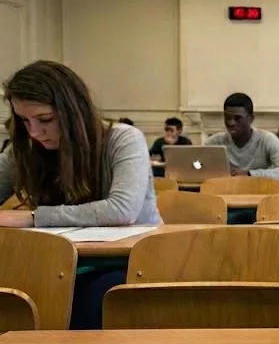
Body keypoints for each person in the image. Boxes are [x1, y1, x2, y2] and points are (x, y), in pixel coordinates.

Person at [0, 60, 161, 328]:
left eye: (45, 120)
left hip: (132, 262)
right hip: (56, 263)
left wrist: (32, 217)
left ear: (73, 111)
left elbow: (121, 210)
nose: (34, 132)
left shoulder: (123, 139)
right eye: (23, 120)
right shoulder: (24, 149)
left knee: (89, 306)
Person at [205, 93, 279, 181]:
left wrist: (250, 174)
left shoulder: (267, 140)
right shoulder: (214, 142)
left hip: (260, 193)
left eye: (238, 118)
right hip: (224, 193)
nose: (231, 123)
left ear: (251, 118)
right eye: (227, 118)